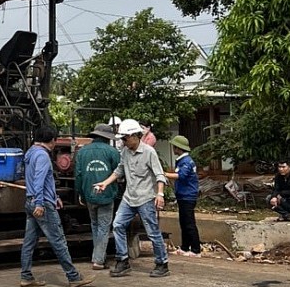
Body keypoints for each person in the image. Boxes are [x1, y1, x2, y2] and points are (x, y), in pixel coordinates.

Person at [20, 124, 95, 287]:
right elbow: (39, 180)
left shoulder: (30, 153)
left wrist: (54, 196)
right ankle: (73, 277)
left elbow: (36, 180)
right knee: (58, 240)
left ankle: (26, 276)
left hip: (31, 201)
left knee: (29, 241)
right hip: (42, 204)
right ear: (52, 140)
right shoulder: (42, 156)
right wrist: (41, 202)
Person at [95, 118, 170, 278]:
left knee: (153, 232)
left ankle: (162, 263)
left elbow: (159, 174)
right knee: (117, 225)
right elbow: (119, 171)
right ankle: (122, 260)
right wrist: (105, 183)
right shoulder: (125, 152)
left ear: (136, 136)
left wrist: (160, 194)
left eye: (125, 138)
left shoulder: (149, 152)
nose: (123, 141)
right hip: (129, 198)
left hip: (145, 198)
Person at [74, 123, 120, 270]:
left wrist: (81, 193)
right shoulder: (112, 152)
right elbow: (118, 172)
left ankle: (97, 255)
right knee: (103, 228)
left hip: (89, 195)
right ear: (107, 138)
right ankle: (98, 260)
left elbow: (79, 175)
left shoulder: (82, 152)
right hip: (106, 195)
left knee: (95, 225)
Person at [164, 135, 201, 256]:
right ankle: (185, 247)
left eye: (174, 147)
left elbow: (181, 176)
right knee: (183, 222)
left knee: (189, 223)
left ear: (178, 148)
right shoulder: (182, 160)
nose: (173, 149)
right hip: (182, 195)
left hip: (188, 196)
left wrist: (164, 174)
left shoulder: (186, 162)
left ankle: (196, 249)